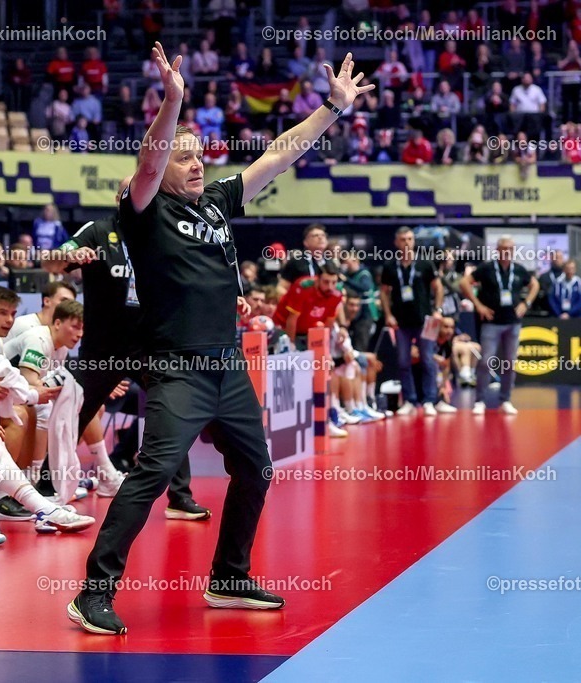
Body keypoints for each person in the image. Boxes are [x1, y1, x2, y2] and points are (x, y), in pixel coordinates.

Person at [68, 44, 373, 635]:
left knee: (256, 469)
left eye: (199, 155)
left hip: (227, 366)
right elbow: (150, 161)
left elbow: (277, 156)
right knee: (153, 475)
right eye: (184, 157)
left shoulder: (216, 203)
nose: (196, 164)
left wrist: (332, 109)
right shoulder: (145, 209)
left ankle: (230, 577)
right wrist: (173, 101)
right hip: (177, 368)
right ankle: (94, 591)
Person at [44, 176, 211, 521]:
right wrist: (68, 255)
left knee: (172, 414)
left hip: (150, 346)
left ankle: (180, 498)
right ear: (119, 198)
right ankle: (46, 486)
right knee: (77, 414)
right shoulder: (98, 230)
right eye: (128, 192)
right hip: (102, 348)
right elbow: (51, 261)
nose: (135, 197)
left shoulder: (164, 232)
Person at [461, 236, 539, 415]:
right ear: (497, 250)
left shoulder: (518, 269)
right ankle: (480, 400)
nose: (507, 252)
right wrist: (478, 305)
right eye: (504, 248)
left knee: (509, 363)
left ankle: (505, 400)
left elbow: (535, 284)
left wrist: (526, 303)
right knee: (485, 362)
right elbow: (464, 282)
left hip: (513, 322)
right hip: (491, 322)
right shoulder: (487, 268)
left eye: (510, 249)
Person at [380, 227, 449, 416]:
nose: (407, 243)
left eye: (410, 239)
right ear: (396, 242)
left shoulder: (425, 264)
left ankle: (429, 400)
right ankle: (409, 400)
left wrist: (438, 310)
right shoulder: (390, 266)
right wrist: (388, 314)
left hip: (425, 320)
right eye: (403, 239)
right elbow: (384, 292)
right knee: (403, 361)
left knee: (427, 360)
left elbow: (438, 288)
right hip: (401, 322)